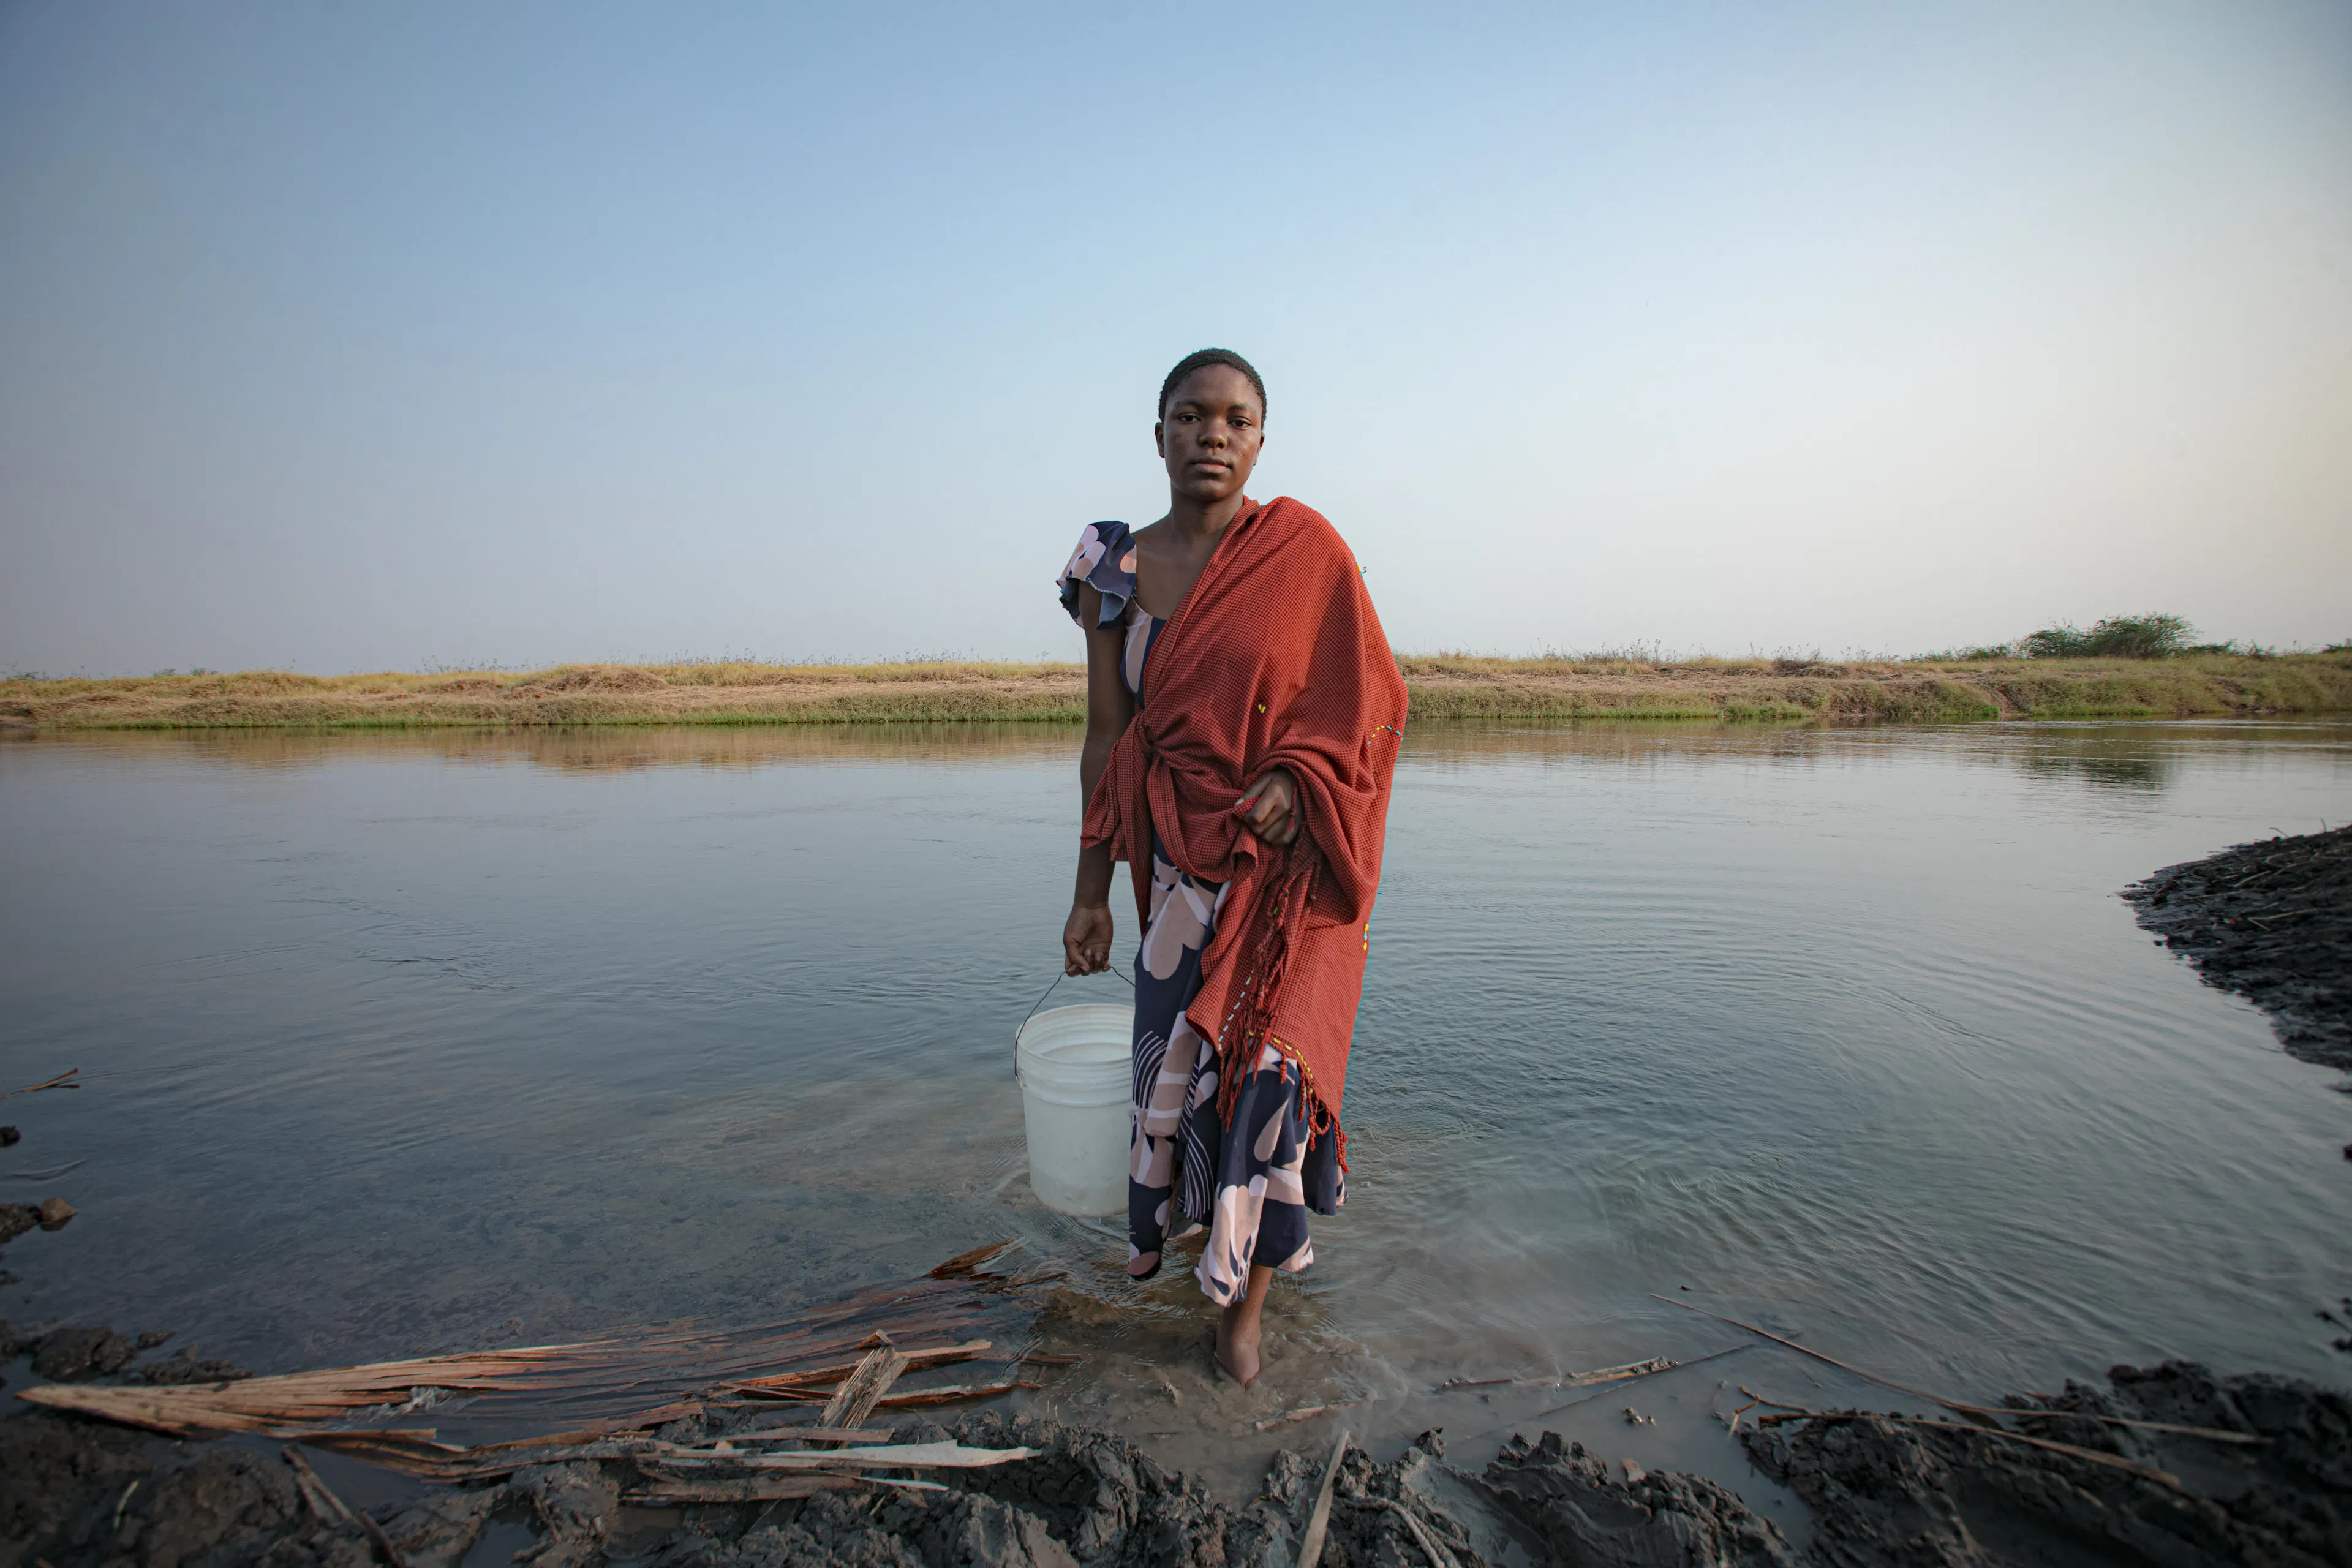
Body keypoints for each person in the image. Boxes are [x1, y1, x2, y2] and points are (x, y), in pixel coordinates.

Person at [1054, 348, 1408, 1387]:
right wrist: (1087, 894)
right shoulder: (1110, 572)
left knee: (1268, 1075)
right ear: (1157, 433)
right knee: (1187, 1076)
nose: (1213, 435)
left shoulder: (1305, 556)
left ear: (1261, 439)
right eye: (1190, 416)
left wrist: (1301, 779)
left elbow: (1373, 702)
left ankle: (1244, 1311)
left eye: (1236, 420)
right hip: (1172, 868)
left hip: (1291, 875)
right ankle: (1202, 1256)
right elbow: (1107, 740)